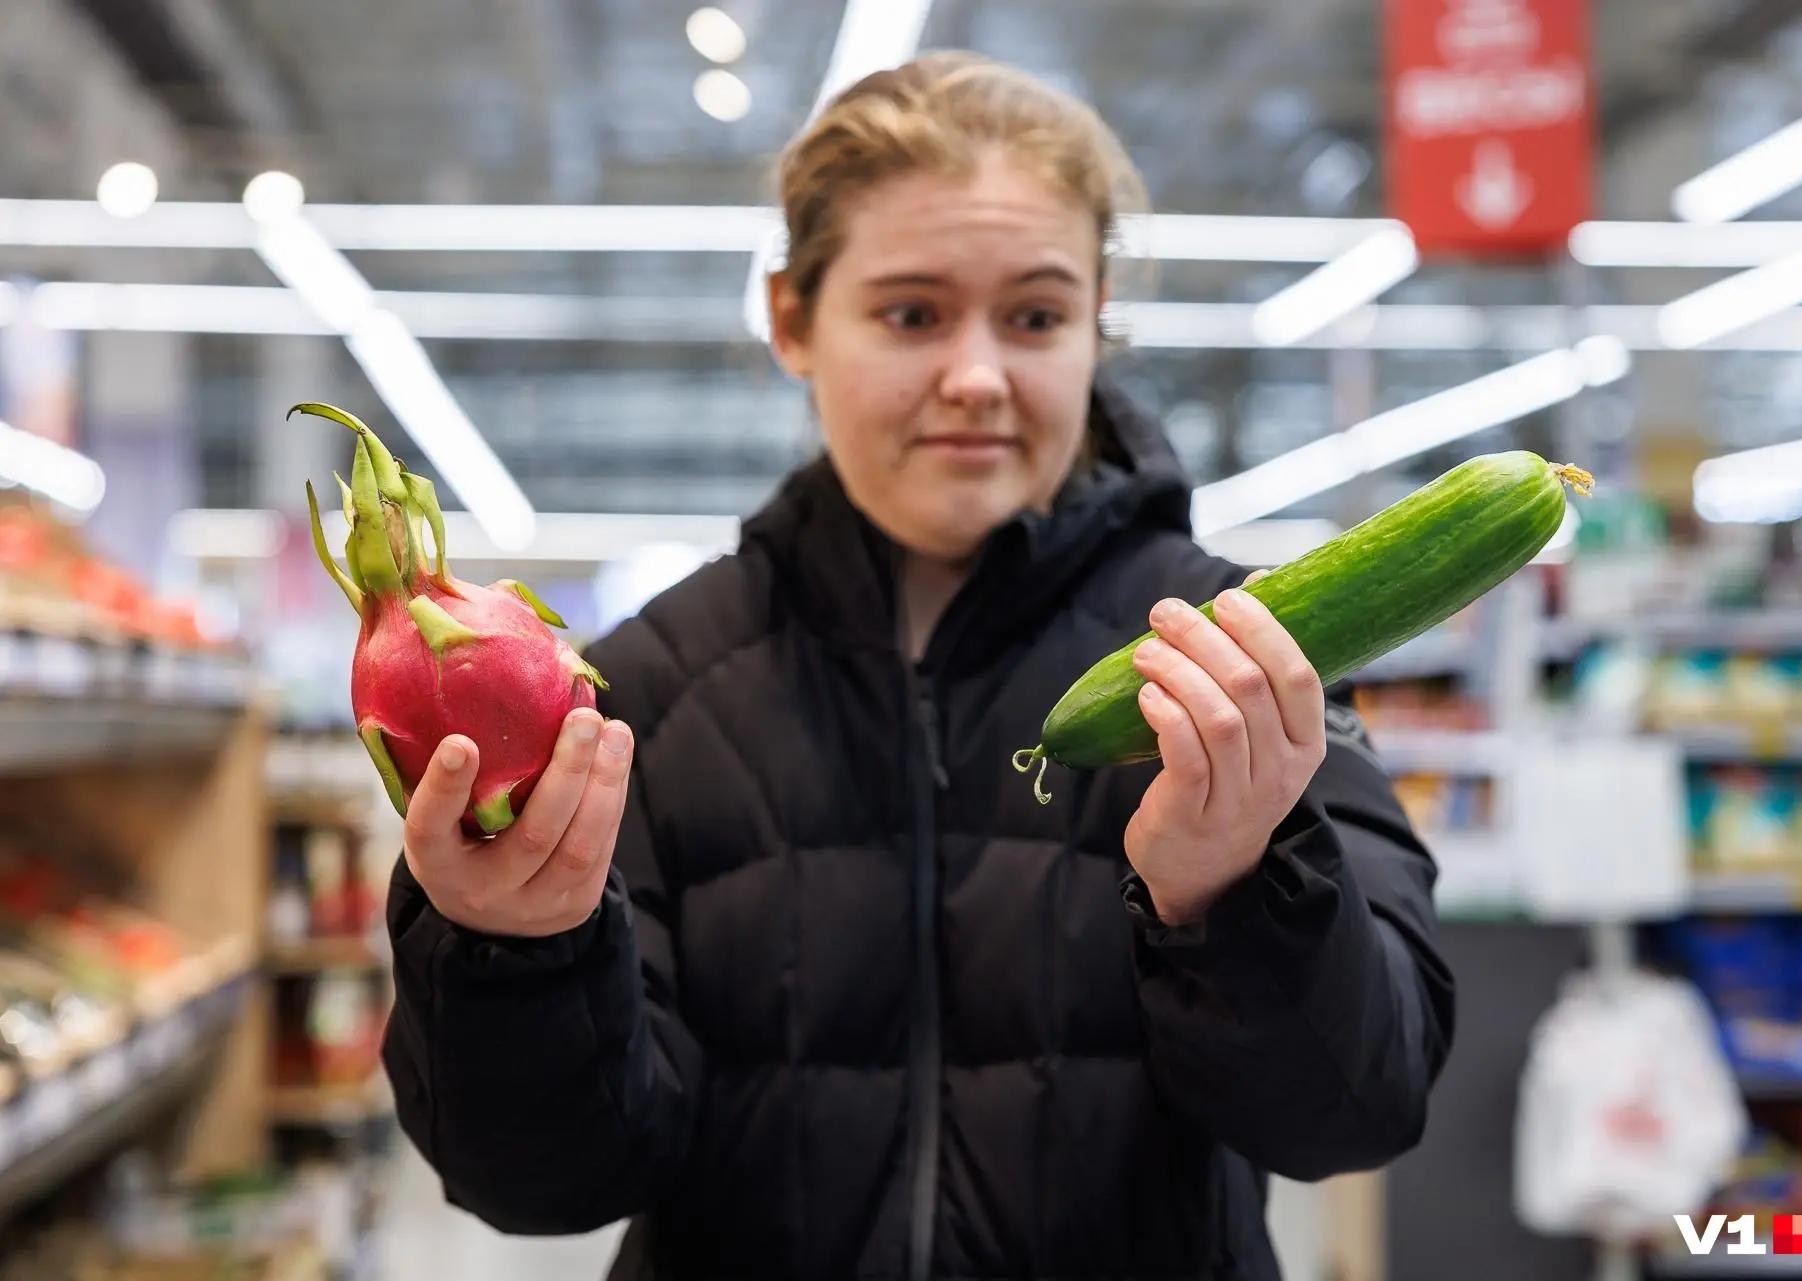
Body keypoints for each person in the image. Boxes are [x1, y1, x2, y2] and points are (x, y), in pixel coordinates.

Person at [382, 51, 1454, 1281]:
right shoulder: (643, 696)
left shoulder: (1243, 662)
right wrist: (516, 955)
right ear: (792, 318)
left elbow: (1360, 1110)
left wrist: (1237, 900)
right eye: (911, 313)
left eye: (1039, 316)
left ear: (1096, 323)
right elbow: (542, 1184)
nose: (980, 376)